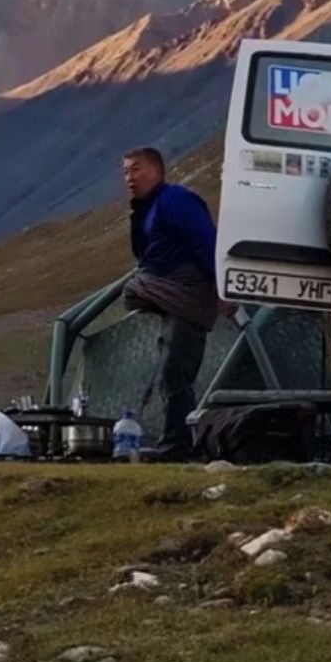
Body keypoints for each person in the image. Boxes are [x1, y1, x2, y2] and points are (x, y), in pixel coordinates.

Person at [123, 147, 222, 460]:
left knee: (175, 373)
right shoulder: (148, 208)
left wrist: (223, 289)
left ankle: (176, 446)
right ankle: (176, 442)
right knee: (170, 370)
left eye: (135, 169)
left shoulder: (177, 200)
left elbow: (208, 242)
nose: (129, 178)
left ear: (156, 170)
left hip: (187, 295)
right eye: (125, 172)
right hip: (166, 292)